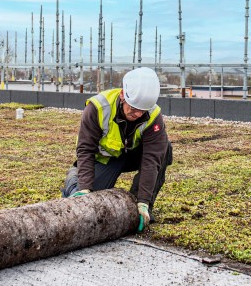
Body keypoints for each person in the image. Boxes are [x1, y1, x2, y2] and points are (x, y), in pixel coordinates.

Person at [61, 66, 172, 231]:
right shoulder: (98, 107)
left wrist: (143, 202)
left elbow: (151, 160)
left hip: (131, 155)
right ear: (122, 95)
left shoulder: (153, 116)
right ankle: (75, 181)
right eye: (132, 109)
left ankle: (136, 206)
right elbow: (85, 150)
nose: (137, 114)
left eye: (142, 111)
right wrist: (85, 188)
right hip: (106, 158)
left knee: (165, 150)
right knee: (86, 204)